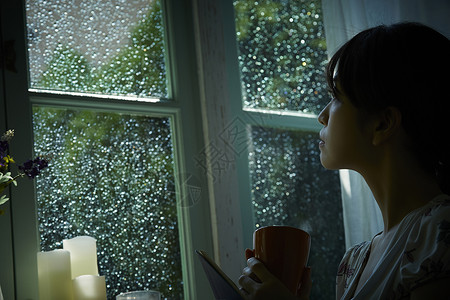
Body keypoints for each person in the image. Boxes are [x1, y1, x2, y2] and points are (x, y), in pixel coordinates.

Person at [238, 22, 450, 299]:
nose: (322, 115)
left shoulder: (440, 231)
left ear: (383, 124)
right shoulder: (352, 263)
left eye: (336, 95)